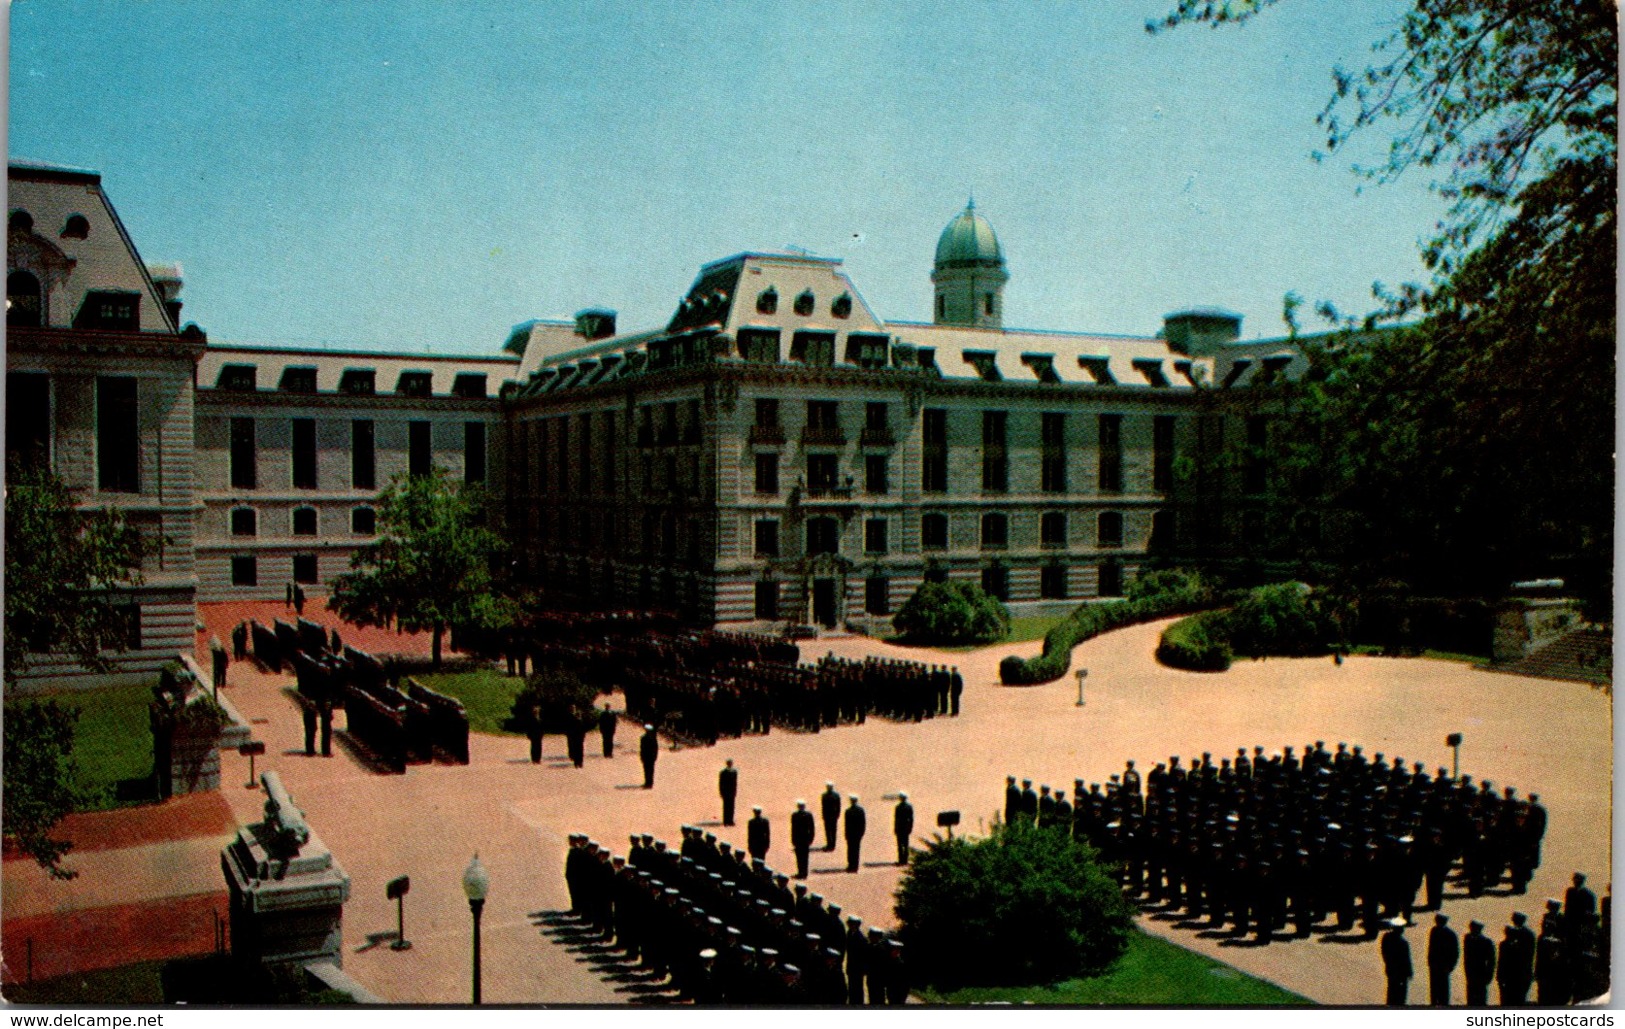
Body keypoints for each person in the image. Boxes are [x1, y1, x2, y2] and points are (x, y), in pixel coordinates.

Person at [1498, 913, 1535, 1005]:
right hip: (1517, 973)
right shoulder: (1523, 933)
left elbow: (1527, 954)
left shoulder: (1525, 934)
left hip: (1521, 972)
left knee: (1517, 998)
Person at [1428, 913, 1459, 1006]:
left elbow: (1455, 952)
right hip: (1434, 965)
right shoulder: (1434, 930)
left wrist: (1451, 966)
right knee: (1434, 987)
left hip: (1444, 965)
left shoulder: (1450, 934)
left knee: (1443, 988)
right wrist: (1430, 962)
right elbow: (1431, 948)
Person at [1382, 917, 1413, 1006]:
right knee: (1401, 994)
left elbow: (1384, 953)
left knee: (1391, 991)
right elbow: (1406, 959)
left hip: (1391, 969)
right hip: (1401, 972)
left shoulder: (1386, 938)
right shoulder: (1403, 943)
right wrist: (1409, 972)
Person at [1464, 920, 1495, 1006]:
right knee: (1471, 998)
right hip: (1471, 973)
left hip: (1481, 973)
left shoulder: (1486, 942)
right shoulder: (1468, 939)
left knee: (1481, 998)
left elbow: (1491, 961)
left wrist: (1489, 975)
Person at [791, 800, 816, 880]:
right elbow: (812, 828)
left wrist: (793, 839)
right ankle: (804, 873)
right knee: (805, 857)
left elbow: (793, 829)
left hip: (798, 839)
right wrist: (811, 838)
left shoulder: (795, 815)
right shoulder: (808, 815)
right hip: (806, 839)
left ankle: (801, 872)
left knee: (799, 857)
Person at [844, 795, 867, 872]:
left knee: (850, 850)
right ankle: (855, 866)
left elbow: (846, 824)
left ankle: (851, 865)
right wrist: (862, 832)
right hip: (858, 833)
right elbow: (863, 823)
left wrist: (846, 834)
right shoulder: (861, 810)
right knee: (856, 850)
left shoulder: (848, 811)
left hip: (851, 833)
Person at [893, 792, 914, 866]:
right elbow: (911, 819)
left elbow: (896, 819)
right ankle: (905, 860)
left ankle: (901, 860)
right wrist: (910, 827)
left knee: (900, 844)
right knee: (906, 844)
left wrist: (895, 828)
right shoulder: (909, 807)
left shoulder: (898, 807)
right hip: (906, 827)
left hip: (900, 827)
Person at [820, 782, 841, 851]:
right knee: (833, 830)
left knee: (828, 830)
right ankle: (832, 844)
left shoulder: (824, 796)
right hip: (833, 815)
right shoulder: (836, 795)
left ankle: (829, 844)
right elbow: (838, 806)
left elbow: (823, 806)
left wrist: (823, 814)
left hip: (828, 815)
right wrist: (838, 814)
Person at [719, 759, 739, 826]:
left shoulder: (734, 771)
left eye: (731, 763)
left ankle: (731, 820)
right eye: (729, 763)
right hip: (726, 791)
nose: (730, 764)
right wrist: (721, 792)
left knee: (732, 806)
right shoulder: (723, 772)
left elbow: (735, 782)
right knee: (726, 806)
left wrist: (735, 791)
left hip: (732, 791)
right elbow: (721, 783)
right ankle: (726, 821)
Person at [639, 724, 658, 788]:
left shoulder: (643, 738)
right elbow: (655, 748)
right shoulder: (653, 738)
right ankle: (649, 783)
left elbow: (642, 748)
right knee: (651, 770)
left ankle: (647, 783)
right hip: (651, 756)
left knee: (647, 770)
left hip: (646, 756)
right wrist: (655, 756)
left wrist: (641, 756)